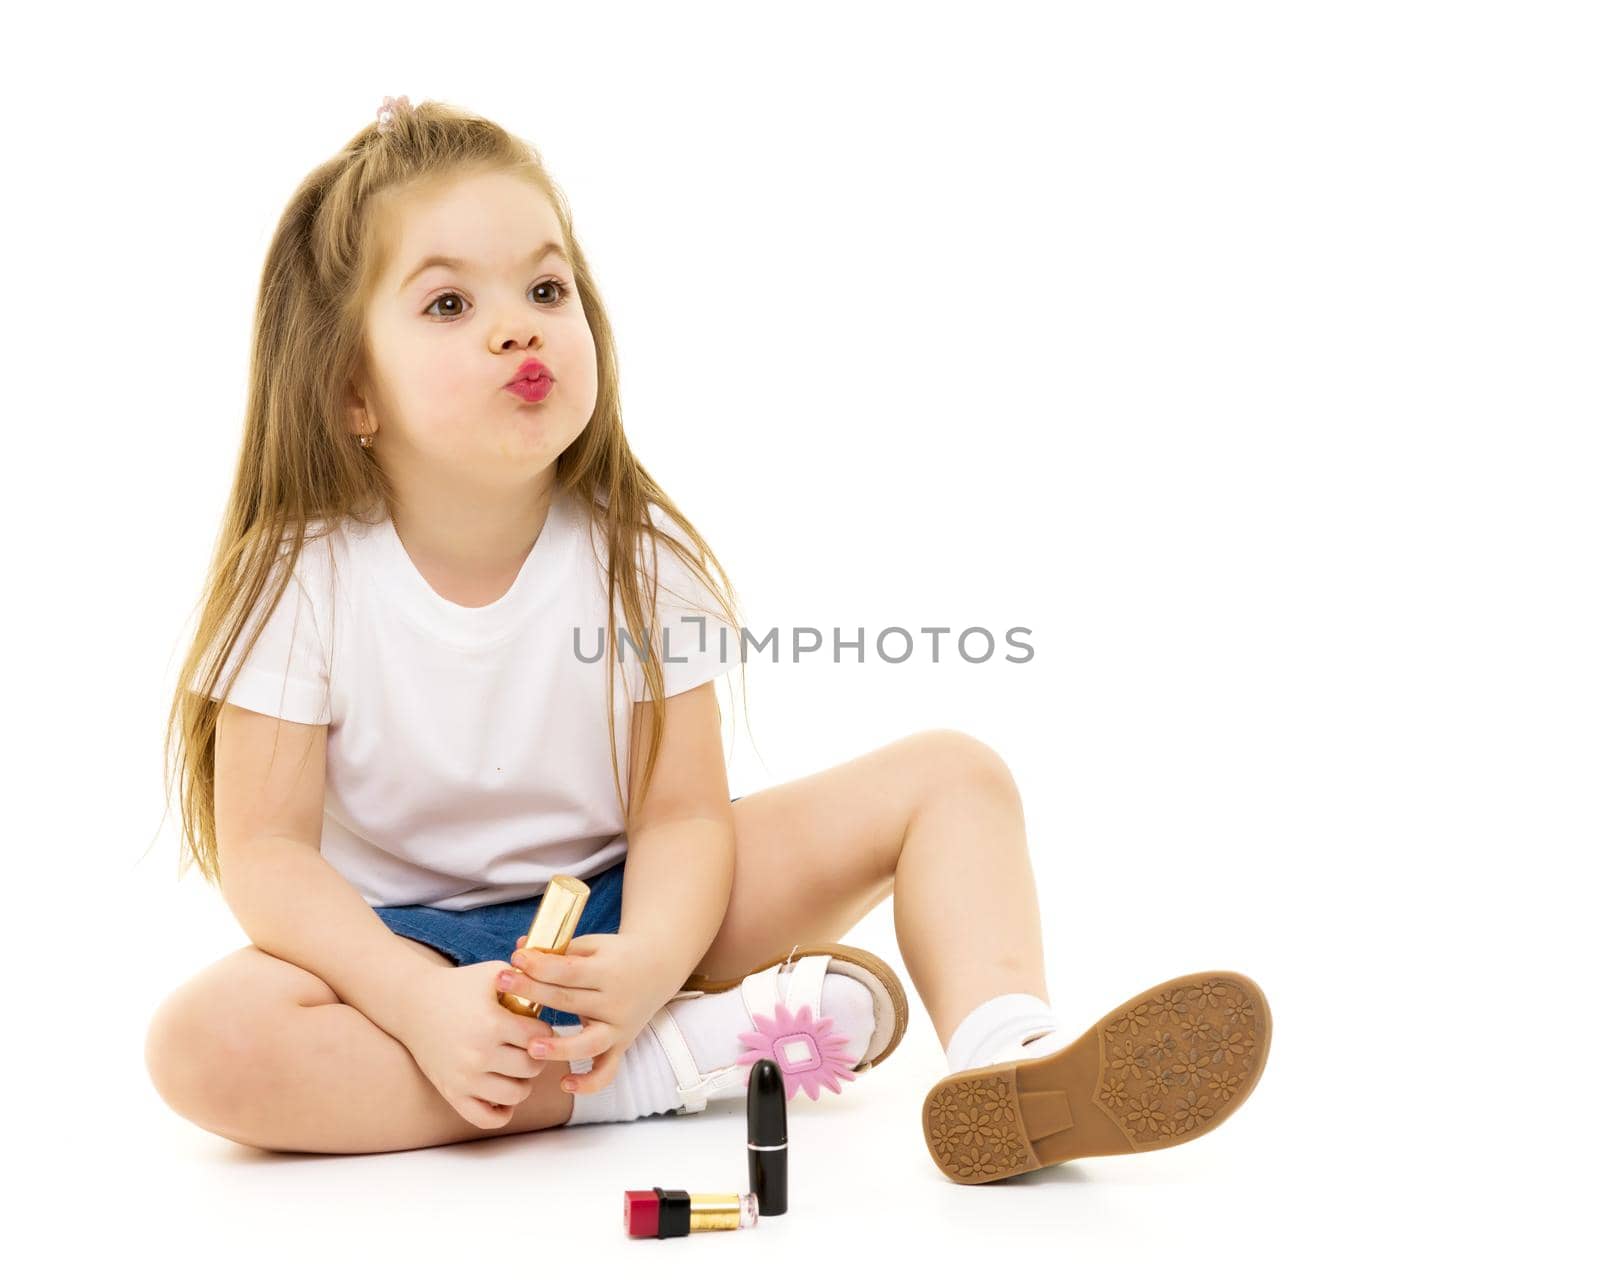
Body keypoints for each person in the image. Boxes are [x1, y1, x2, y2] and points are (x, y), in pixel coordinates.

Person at [144, 96, 1272, 1184]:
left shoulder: (641, 560)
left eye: (547, 286)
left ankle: (1011, 1062)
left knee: (954, 775)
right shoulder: (301, 575)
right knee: (206, 1045)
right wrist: (411, 996)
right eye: (448, 305)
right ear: (352, 391)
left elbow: (681, 815)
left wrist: (643, 959)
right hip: (405, 943)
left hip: (628, 900)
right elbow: (270, 858)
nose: (517, 325)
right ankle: (664, 1062)